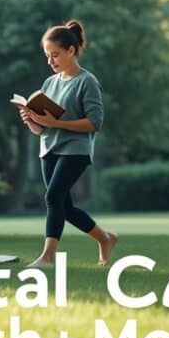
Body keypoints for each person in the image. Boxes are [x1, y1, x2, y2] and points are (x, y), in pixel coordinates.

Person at [18, 20, 117, 268]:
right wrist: (31, 120)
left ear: (71, 51)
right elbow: (43, 127)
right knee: (63, 205)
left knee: (53, 196)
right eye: (47, 56)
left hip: (76, 150)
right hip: (49, 148)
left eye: (55, 55)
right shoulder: (50, 83)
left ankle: (48, 257)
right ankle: (105, 239)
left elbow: (95, 123)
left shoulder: (87, 82)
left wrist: (56, 123)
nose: (50, 61)